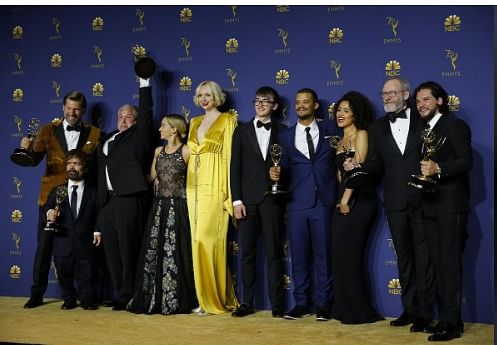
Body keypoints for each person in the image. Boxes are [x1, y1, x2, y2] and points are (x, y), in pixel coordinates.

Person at [344, 77, 435, 331]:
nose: (386, 98)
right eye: (383, 94)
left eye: (392, 93)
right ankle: (410, 309)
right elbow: (375, 166)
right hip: (395, 202)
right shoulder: (377, 128)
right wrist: (358, 167)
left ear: (406, 94)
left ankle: (425, 314)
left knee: (424, 258)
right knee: (404, 259)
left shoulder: (423, 120)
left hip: (424, 199)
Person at [19, 91, 100, 309]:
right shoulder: (47, 130)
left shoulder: (95, 133)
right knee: (44, 250)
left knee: (82, 251)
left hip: (81, 200)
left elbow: (99, 168)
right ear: (62, 108)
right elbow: (32, 162)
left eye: (77, 109)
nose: (72, 113)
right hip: (51, 199)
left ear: (83, 110)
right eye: (69, 108)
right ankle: (37, 294)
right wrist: (25, 149)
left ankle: (84, 296)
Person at [414, 81, 472, 342]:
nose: (421, 105)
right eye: (417, 101)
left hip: (451, 206)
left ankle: (452, 323)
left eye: (426, 99)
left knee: (449, 266)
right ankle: (446, 319)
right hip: (429, 206)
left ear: (439, 101)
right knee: (436, 266)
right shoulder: (423, 131)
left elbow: (465, 161)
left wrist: (439, 169)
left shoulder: (455, 125)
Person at [271, 88, 335, 321]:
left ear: (315, 105)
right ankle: (300, 303)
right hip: (297, 202)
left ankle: (324, 304)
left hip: (324, 201)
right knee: (298, 256)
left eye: (306, 102)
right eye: (298, 102)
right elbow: (284, 167)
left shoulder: (330, 131)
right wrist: (277, 172)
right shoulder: (286, 136)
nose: (301, 106)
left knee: (324, 256)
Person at [127, 114, 197, 315]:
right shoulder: (158, 151)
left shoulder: (187, 150)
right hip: (158, 208)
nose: (160, 129)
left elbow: (195, 179)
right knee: (155, 252)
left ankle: (178, 298)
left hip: (179, 208)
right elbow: (152, 177)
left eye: (163, 125)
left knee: (177, 252)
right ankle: (153, 297)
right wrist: (128, 173)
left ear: (174, 129)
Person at [96, 75, 155, 311]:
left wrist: (144, 83)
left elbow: (147, 110)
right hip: (107, 203)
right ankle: (121, 291)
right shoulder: (107, 139)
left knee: (128, 249)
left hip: (129, 199)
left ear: (136, 120)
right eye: (120, 116)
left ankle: (131, 293)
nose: (123, 119)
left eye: (128, 116)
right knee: (111, 251)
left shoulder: (139, 135)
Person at [230, 86, 286, 318]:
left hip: (272, 200)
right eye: (257, 100)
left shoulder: (283, 131)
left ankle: (277, 305)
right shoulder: (241, 131)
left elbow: (288, 163)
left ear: (275, 105)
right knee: (247, 254)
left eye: (266, 100)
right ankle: (246, 303)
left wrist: (281, 173)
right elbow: (235, 168)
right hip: (248, 201)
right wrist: (237, 200)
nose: (261, 104)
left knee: (274, 253)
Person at [330, 91, 384, 324]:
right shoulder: (339, 140)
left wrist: (345, 200)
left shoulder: (361, 134)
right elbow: (339, 176)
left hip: (360, 200)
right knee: (340, 256)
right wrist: (339, 198)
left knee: (350, 255)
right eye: (338, 110)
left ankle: (358, 311)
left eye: (346, 110)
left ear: (356, 114)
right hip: (343, 199)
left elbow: (357, 171)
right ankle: (343, 308)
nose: (340, 114)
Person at [186, 80, 239, 315]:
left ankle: (216, 299)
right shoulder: (194, 121)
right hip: (193, 186)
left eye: (208, 94)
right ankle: (203, 298)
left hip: (215, 183)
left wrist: (228, 193)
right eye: (200, 95)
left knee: (209, 241)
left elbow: (229, 157)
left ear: (217, 96)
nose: (204, 99)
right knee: (196, 242)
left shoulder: (228, 120)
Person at [45, 150, 101, 310]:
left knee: (86, 273)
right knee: (63, 274)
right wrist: (51, 214)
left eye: (76, 164)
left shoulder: (93, 192)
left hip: (85, 241)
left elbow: (99, 214)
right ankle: (68, 299)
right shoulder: (58, 191)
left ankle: (86, 300)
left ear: (84, 168)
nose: (72, 167)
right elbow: (47, 208)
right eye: (69, 163)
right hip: (63, 240)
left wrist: (97, 231)